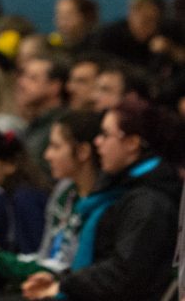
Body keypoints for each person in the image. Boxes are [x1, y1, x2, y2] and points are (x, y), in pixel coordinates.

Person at [22, 98, 183, 300]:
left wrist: (65, 284)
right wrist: (60, 279)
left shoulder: (149, 202)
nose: (97, 142)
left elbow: (124, 275)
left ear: (132, 143)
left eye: (106, 135)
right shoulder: (124, 190)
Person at [0, 110, 102, 300]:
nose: (47, 155)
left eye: (55, 147)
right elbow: (44, 256)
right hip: (47, 277)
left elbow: (65, 269)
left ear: (82, 152)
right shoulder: (65, 192)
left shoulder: (26, 198)